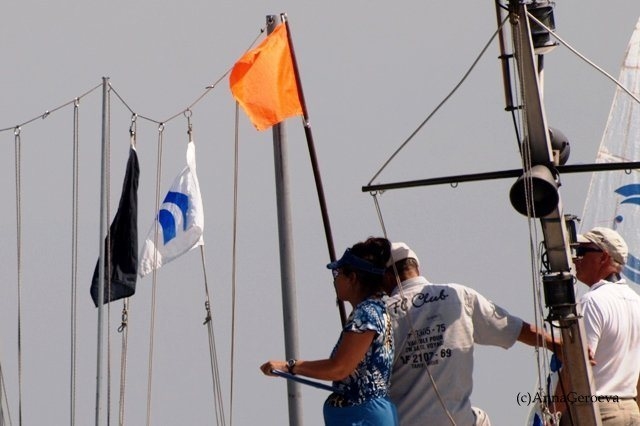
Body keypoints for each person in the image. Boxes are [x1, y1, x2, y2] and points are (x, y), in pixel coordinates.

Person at [382, 242, 559, 426]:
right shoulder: (458, 296)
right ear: (417, 268)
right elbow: (514, 328)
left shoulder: (382, 313)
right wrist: (557, 345)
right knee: (480, 419)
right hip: (456, 421)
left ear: (386, 278)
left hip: (404, 421)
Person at [260, 237, 399, 426]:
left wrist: (290, 366)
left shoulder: (366, 314)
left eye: (337, 273)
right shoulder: (375, 309)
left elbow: (339, 368)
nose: (335, 280)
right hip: (363, 415)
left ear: (352, 278)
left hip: (363, 417)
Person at [557, 227, 640, 425]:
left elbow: (577, 364)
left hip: (597, 411)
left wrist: (554, 410)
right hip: (631, 411)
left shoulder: (592, 301)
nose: (576, 259)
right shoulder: (636, 301)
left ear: (603, 257)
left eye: (582, 251)